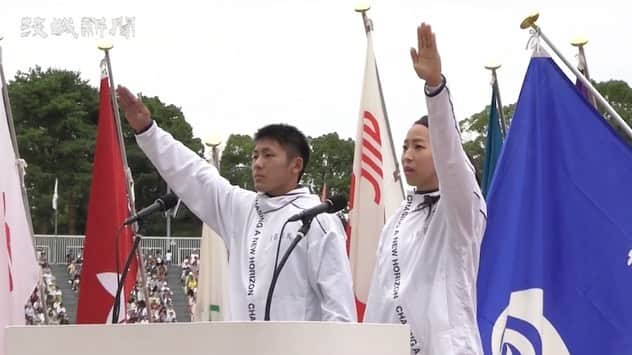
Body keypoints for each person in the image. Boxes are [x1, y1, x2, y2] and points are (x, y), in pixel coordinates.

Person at [116, 86, 356, 322]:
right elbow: (194, 174)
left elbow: (340, 311)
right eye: (255, 156)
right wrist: (147, 131)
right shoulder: (242, 208)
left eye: (268, 155)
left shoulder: (319, 220)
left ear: (296, 165)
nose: (258, 163)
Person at [364, 23, 487, 354]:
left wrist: (435, 87)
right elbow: (380, 296)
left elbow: (452, 161)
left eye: (418, 147)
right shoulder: (396, 221)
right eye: (404, 147)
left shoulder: (462, 210)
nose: (407, 155)